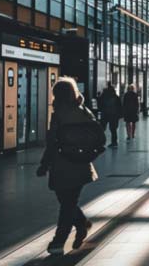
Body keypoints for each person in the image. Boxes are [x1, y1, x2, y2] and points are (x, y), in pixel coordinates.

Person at [36, 77, 104, 255]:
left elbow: (52, 143)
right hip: (81, 163)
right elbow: (97, 135)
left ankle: (58, 241)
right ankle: (82, 224)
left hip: (61, 164)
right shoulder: (83, 110)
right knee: (68, 202)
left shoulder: (58, 114)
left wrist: (44, 164)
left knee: (66, 204)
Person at [98, 82, 122, 148]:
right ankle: (114, 142)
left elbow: (100, 105)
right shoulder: (116, 97)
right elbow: (119, 106)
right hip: (114, 115)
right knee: (113, 129)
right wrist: (119, 115)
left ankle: (100, 142)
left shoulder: (103, 96)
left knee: (102, 128)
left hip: (105, 114)